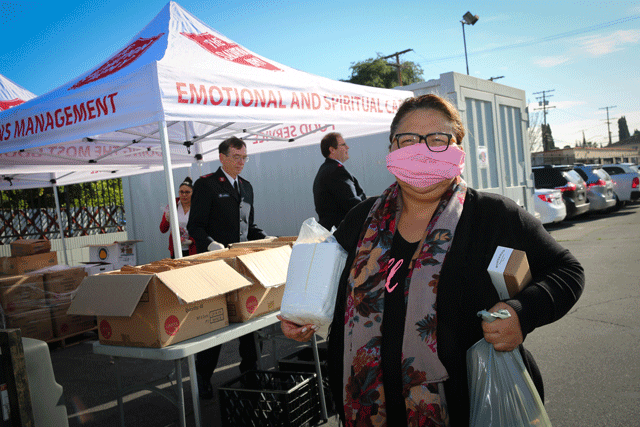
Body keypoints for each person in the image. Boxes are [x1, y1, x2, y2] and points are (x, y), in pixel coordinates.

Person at [279, 94, 585, 426]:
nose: (422, 150)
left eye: (438, 140)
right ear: (392, 150)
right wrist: (301, 316)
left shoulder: (493, 216)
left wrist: (522, 313)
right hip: (366, 412)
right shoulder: (360, 221)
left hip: (465, 410)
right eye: (408, 140)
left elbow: (567, 271)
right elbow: (325, 291)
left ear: (459, 150)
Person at [187, 136, 267, 400]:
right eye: (236, 157)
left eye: (244, 157)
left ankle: (250, 371)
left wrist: (268, 239)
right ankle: (202, 376)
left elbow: (248, 229)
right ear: (222, 158)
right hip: (215, 265)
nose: (241, 162)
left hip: (242, 263)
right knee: (217, 321)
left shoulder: (247, 187)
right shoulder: (207, 185)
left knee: (249, 317)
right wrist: (210, 245)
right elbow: (194, 226)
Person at [313, 132, 366, 230]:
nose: (348, 147)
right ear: (332, 150)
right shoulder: (335, 171)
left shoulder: (327, 169)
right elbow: (352, 203)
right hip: (342, 232)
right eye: (343, 144)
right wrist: (372, 206)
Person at [159, 177, 197, 258]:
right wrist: (167, 220)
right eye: (181, 192)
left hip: (194, 249)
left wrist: (191, 241)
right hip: (176, 249)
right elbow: (163, 229)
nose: (184, 195)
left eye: (187, 192)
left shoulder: (198, 207)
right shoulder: (173, 205)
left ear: (193, 193)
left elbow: (205, 229)